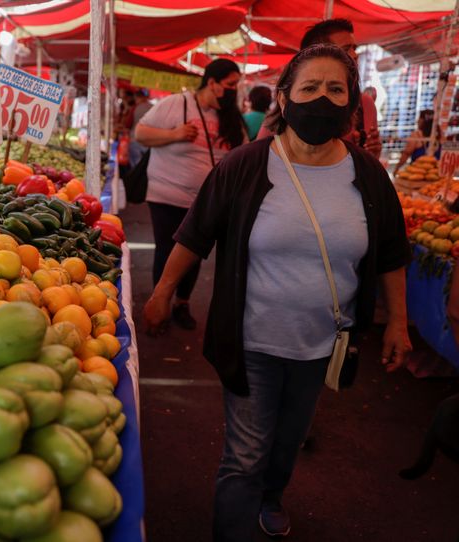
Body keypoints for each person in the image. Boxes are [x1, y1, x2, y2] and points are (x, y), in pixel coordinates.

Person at [143, 44, 411, 540]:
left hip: (322, 344)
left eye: (336, 90)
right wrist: (162, 292)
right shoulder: (244, 166)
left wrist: (397, 320)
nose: (323, 100)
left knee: (287, 443)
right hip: (251, 342)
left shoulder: (369, 176)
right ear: (285, 100)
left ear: (352, 103)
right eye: (310, 88)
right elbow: (195, 233)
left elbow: (391, 253)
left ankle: (273, 494)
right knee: (245, 456)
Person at [135, 59, 246, 329]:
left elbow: (243, 150)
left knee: (195, 252)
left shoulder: (229, 115)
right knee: (166, 249)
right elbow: (141, 133)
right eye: (230, 84)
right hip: (166, 194)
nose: (234, 90)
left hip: (204, 201)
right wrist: (175, 134)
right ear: (212, 82)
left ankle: (181, 304)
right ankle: (158, 304)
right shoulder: (176, 104)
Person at [256, 19, 382, 159]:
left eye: (336, 90)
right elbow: (258, 157)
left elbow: (369, 157)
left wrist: (369, 155)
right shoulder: (289, 105)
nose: (354, 55)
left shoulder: (365, 104)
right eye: (346, 49)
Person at [393, 109, 441, 175]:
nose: (417, 121)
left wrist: (396, 168)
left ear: (422, 120)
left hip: (417, 174)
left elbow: (406, 154)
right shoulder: (440, 136)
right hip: (436, 173)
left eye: (419, 118)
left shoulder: (416, 135)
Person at [128, 89, 151, 168]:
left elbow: (128, 124)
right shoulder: (153, 107)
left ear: (137, 97)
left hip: (135, 140)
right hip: (149, 141)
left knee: (135, 166)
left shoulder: (135, 108)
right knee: (145, 165)